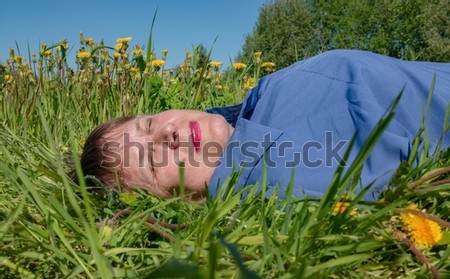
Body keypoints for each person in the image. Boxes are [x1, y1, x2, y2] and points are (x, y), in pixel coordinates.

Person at [77, 50, 450, 202]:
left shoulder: (257, 110)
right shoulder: (283, 173)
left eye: (150, 123)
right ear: (185, 202)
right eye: (155, 162)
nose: (166, 133)